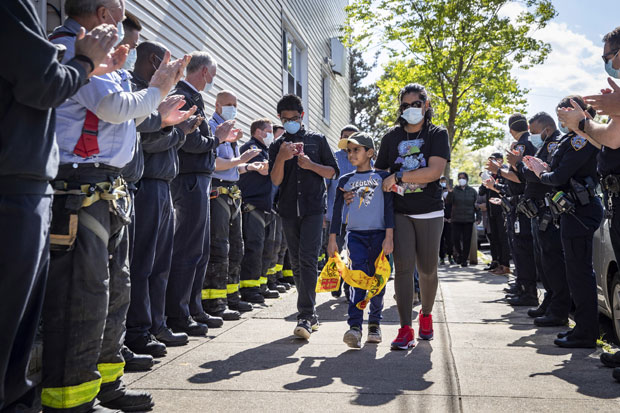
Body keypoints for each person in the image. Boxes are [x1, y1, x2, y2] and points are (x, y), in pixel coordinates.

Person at [44, 1, 188, 411]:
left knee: (114, 293)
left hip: (106, 187)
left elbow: (125, 117)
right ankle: (71, 402)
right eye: (120, 13)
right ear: (106, 13)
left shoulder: (98, 56)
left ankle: (105, 386)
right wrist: (158, 84)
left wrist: (157, 113)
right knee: (83, 296)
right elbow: (114, 108)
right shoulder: (73, 49)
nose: (122, 26)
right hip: (79, 186)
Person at [0, 1, 117, 410]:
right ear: (102, 15)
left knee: (96, 293)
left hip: (30, 179)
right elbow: (46, 84)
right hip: (20, 182)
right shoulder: (65, 41)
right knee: (65, 301)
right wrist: (86, 63)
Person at [124, 41, 202, 360]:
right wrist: (177, 132)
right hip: (145, 185)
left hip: (162, 187)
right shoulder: (137, 91)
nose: (175, 76)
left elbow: (160, 134)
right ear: (157, 61)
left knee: (160, 264)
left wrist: (176, 130)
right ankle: (138, 331)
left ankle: (157, 324)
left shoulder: (155, 94)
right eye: (173, 69)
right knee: (142, 264)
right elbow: (146, 140)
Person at [374, 83, 450, 350]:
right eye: (405, 106)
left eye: (416, 104)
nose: (410, 110)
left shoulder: (437, 134)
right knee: (404, 270)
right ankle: (405, 327)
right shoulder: (391, 137)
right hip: (400, 211)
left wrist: (401, 176)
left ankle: (426, 315)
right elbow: (379, 172)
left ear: (426, 105)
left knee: (427, 269)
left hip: (430, 210)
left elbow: (434, 172)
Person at [166, 51, 236, 337]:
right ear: (205, 72)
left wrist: (214, 138)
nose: (213, 78)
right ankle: (179, 314)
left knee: (200, 250)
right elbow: (190, 142)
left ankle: (194, 308)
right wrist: (216, 139)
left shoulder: (194, 97)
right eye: (213, 73)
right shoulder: (184, 96)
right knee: (187, 249)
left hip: (199, 181)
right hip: (189, 180)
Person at [526, 96, 602, 349]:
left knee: (580, 274)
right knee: (575, 272)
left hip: (580, 211)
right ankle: (581, 329)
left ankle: (586, 332)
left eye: (565, 114)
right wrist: (543, 167)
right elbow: (557, 171)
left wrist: (541, 172)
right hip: (570, 212)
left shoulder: (581, 140)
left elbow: (558, 176)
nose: (561, 119)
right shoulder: (570, 140)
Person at [269, 94, 339, 339]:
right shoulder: (277, 145)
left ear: (302, 116)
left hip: (312, 209)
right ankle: (310, 314)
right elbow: (275, 180)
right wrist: (281, 158)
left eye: (295, 118)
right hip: (288, 210)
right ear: (280, 119)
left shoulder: (317, 140)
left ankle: (306, 315)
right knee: (297, 263)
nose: (290, 122)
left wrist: (311, 166)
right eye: (285, 119)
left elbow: (332, 172)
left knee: (308, 259)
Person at [328, 132, 394, 348]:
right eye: (349, 150)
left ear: (370, 152)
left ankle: (374, 324)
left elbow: (390, 210)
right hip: (355, 235)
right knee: (357, 279)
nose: (351, 154)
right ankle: (355, 327)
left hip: (379, 235)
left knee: (377, 280)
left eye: (356, 149)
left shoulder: (383, 177)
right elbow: (336, 212)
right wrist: (332, 239)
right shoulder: (345, 181)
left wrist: (389, 237)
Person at [203, 90, 259, 321]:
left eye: (235, 104)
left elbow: (232, 167)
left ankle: (231, 296)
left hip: (233, 192)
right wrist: (241, 160)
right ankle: (214, 303)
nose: (233, 108)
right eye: (228, 104)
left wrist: (248, 167)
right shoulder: (213, 129)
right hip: (218, 193)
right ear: (217, 106)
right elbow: (215, 163)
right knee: (219, 247)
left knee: (237, 247)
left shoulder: (230, 131)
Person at [512, 112, 569, 326]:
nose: (533, 136)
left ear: (545, 128)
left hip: (548, 209)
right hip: (538, 210)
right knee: (543, 260)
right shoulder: (546, 144)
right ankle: (550, 301)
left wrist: (519, 165)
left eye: (534, 131)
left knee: (553, 261)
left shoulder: (554, 144)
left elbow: (540, 175)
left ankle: (558, 309)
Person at [488, 113, 539, 307]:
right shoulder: (527, 144)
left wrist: (498, 171)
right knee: (519, 248)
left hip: (522, 203)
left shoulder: (521, 146)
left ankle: (528, 291)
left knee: (522, 248)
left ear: (511, 130)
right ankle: (522, 286)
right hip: (518, 202)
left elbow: (521, 178)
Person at [238, 119, 277, 303]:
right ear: (258, 132)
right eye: (269, 131)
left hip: (264, 207)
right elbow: (263, 170)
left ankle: (260, 285)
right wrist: (281, 159)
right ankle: (249, 290)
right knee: (253, 248)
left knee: (264, 248)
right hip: (252, 206)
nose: (271, 134)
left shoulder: (266, 150)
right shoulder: (252, 149)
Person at [324, 124, 359, 299]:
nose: (348, 140)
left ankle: (349, 287)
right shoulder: (333, 159)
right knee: (334, 253)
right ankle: (336, 282)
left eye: (352, 137)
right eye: (344, 136)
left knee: (354, 254)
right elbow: (325, 187)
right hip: (335, 216)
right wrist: (324, 214)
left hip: (358, 218)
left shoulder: (366, 160)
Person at [481, 153, 511, 275]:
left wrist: (495, 185)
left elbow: (507, 190)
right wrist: (485, 181)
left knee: (503, 239)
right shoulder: (489, 175)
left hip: (502, 210)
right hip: (491, 212)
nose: (492, 162)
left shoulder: (505, 172)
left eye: (494, 160)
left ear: (500, 160)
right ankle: (496, 262)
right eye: (490, 160)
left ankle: (505, 265)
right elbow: (481, 191)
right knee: (494, 238)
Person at [447, 172, 478, 267]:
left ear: (467, 179)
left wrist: (479, 216)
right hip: (456, 219)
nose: (461, 179)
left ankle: (464, 259)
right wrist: (450, 192)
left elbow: (476, 205)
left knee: (467, 240)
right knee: (455, 239)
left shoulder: (472, 191)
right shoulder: (454, 190)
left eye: (463, 178)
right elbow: (449, 201)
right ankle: (459, 254)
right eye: (459, 178)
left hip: (468, 219)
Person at [438, 177, 455, 265]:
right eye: (442, 181)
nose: (443, 183)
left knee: (450, 240)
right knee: (441, 240)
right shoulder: (437, 190)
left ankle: (451, 256)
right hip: (441, 219)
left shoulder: (452, 192)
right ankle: (441, 257)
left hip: (450, 220)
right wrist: (442, 218)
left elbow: (455, 205)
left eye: (445, 181)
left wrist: (452, 217)